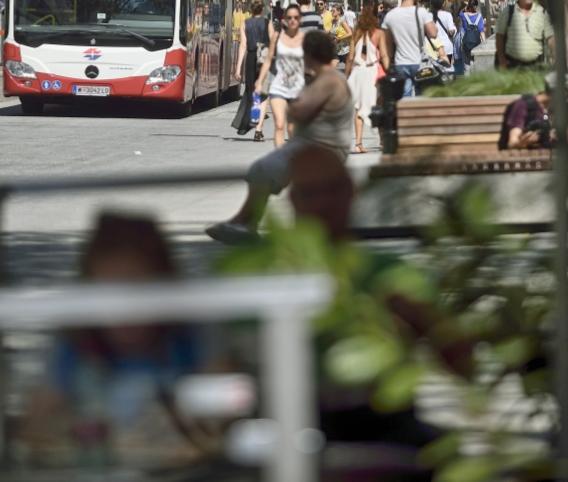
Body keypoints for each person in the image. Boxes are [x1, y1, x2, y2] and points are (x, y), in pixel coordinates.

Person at [19, 213, 219, 469]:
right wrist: (73, 431)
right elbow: (33, 431)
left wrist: (190, 426)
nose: (122, 310)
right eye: (107, 294)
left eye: (135, 291)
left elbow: (230, 419)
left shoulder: (190, 335)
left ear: (162, 287)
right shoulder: (75, 342)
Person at [208, 31, 354, 243]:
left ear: (310, 54)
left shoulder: (328, 80)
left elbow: (299, 111)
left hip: (320, 149)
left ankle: (245, 222)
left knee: (263, 169)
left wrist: (295, 95)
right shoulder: (325, 78)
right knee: (263, 169)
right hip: (313, 146)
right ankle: (245, 221)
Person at [255, 4, 305, 147]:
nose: (293, 20)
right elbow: (268, 60)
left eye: (296, 17)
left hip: (298, 88)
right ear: (284, 19)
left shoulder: (305, 39)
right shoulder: (277, 37)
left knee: (292, 128)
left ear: (300, 19)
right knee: (279, 125)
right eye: (289, 17)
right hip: (278, 87)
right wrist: (259, 84)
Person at [345, 0, 388, 154]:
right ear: (376, 18)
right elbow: (383, 55)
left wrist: (346, 73)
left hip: (357, 71)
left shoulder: (356, 33)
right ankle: (383, 141)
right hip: (372, 71)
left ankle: (358, 143)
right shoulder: (378, 33)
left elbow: (350, 57)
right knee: (379, 105)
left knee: (358, 108)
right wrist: (388, 70)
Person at [381, 0, 438, 98]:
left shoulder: (391, 15)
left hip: (400, 62)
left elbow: (387, 42)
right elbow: (433, 33)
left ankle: (406, 116)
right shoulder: (421, 12)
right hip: (420, 62)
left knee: (404, 98)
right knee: (422, 98)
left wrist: (391, 56)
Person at [231, 0, 272, 141]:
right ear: (262, 8)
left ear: (251, 9)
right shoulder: (268, 23)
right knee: (263, 93)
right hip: (264, 59)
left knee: (252, 91)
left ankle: (253, 119)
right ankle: (258, 130)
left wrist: (238, 67)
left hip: (250, 59)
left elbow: (243, 45)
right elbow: (273, 41)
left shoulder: (245, 23)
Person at [499, 73, 568, 150]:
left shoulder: (564, 108)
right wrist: (524, 142)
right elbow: (512, 144)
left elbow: (567, 140)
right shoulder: (524, 105)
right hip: (526, 158)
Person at [495, 0, 554, 70]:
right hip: (512, 67)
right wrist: (501, 60)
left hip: (536, 67)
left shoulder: (541, 13)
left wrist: (553, 55)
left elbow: (550, 37)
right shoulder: (508, 13)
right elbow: (499, 37)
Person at [428, 0, 456, 75]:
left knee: (434, 72)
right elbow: (451, 30)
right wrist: (454, 29)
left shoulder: (428, 15)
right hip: (446, 47)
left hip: (432, 47)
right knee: (446, 72)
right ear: (443, 3)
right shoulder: (447, 15)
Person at [460, 0, 486, 73]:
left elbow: (460, 12)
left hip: (466, 43)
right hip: (476, 43)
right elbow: (481, 31)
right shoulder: (479, 16)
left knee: (467, 66)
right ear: (475, 6)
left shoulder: (463, 15)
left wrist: (465, 8)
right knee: (476, 64)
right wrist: (484, 43)